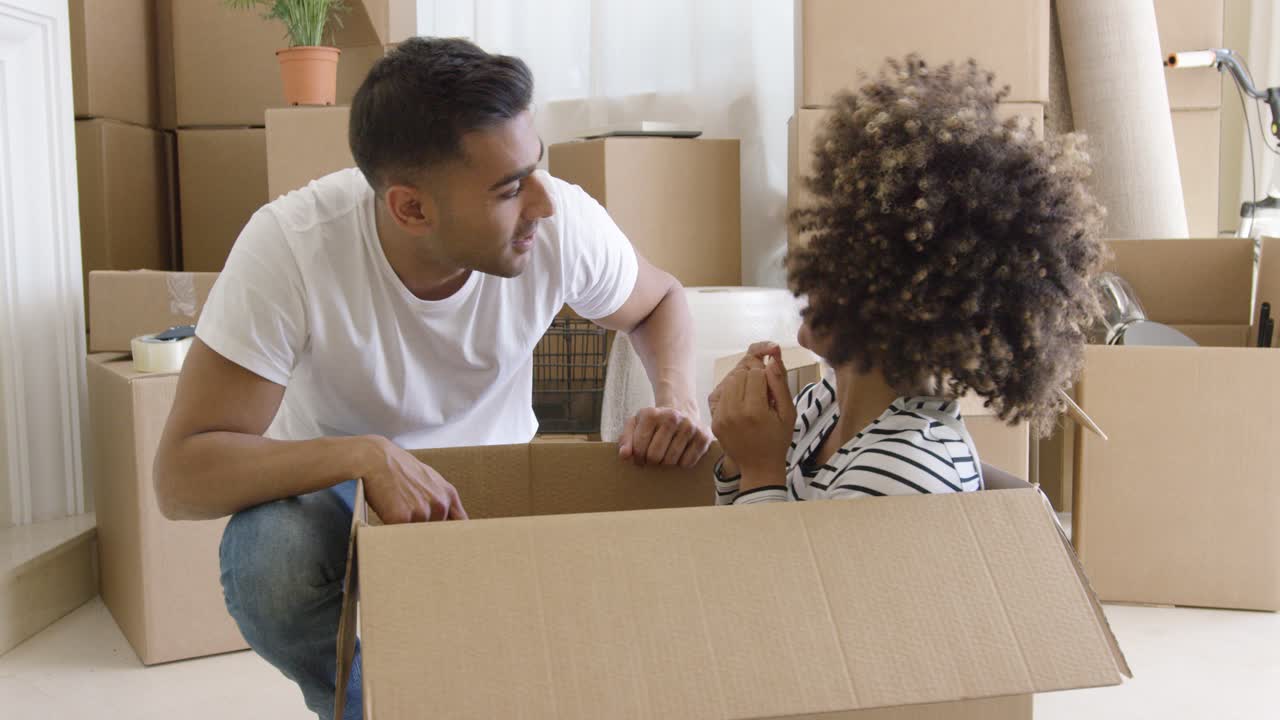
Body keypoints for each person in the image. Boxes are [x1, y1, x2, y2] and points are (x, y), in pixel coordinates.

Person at [152, 37, 712, 719]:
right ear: (410, 209)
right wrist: (367, 454)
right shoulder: (291, 248)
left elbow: (660, 302)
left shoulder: (559, 225)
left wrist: (678, 399)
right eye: (510, 188)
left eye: (537, 167)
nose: (544, 203)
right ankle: (365, 709)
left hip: (493, 475)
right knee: (269, 562)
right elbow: (181, 477)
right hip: (339, 492)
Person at [709, 56, 1105, 504]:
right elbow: (738, 545)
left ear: (905, 307)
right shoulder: (819, 407)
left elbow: (785, 573)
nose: (811, 267)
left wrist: (761, 468)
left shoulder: (902, 471)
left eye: (843, 257)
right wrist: (738, 457)